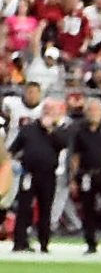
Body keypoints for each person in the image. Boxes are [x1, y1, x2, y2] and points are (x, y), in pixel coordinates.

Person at [7, 99, 65, 252]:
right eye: (46, 109)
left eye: (51, 110)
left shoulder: (60, 129)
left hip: (48, 175)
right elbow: (13, 149)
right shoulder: (28, 129)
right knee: (24, 208)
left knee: (46, 209)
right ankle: (20, 242)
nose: (48, 112)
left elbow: (63, 144)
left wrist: (51, 130)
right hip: (29, 174)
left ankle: (44, 243)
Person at [68, 95, 101, 254]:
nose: (93, 113)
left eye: (96, 110)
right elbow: (75, 156)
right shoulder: (80, 132)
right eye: (90, 110)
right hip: (86, 174)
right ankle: (91, 242)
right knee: (87, 209)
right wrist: (73, 177)